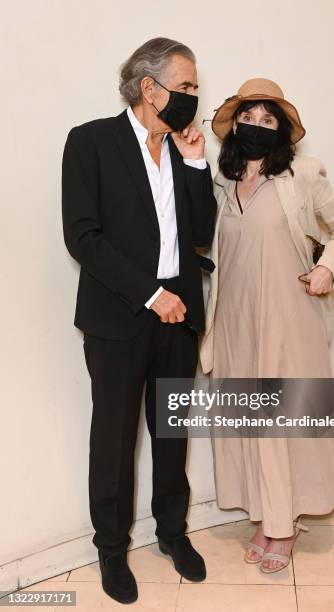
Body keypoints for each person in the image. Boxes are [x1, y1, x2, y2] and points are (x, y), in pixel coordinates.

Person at [62, 37, 217, 604]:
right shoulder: (91, 142)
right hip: (121, 316)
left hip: (180, 316)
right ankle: (111, 549)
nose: (193, 98)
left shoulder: (183, 147)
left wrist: (197, 162)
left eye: (196, 88)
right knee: (114, 437)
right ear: (149, 87)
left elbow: (200, 231)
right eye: (186, 86)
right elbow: (83, 236)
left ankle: (172, 534)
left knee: (171, 433)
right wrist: (151, 294)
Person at [199, 78, 334, 574]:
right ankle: (264, 514)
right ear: (235, 125)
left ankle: (283, 528)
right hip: (234, 320)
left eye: (269, 120)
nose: (257, 126)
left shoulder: (303, 174)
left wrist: (328, 267)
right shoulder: (219, 181)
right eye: (250, 117)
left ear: (283, 131)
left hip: (289, 319)